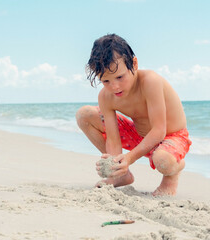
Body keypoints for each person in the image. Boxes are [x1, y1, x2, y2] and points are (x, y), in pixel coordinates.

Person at [76, 34, 192, 196]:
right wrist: (114, 165)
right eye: (106, 81)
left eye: (120, 77)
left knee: (163, 161)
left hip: (171, 137)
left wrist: (129, 158)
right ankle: (121, 176)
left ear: (134, 64)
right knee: (84, 115)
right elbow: (113, 139)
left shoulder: (150, 81)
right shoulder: (106, 96)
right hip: (139, 138)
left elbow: (159, 130)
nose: (115, 86)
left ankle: (172, 174)